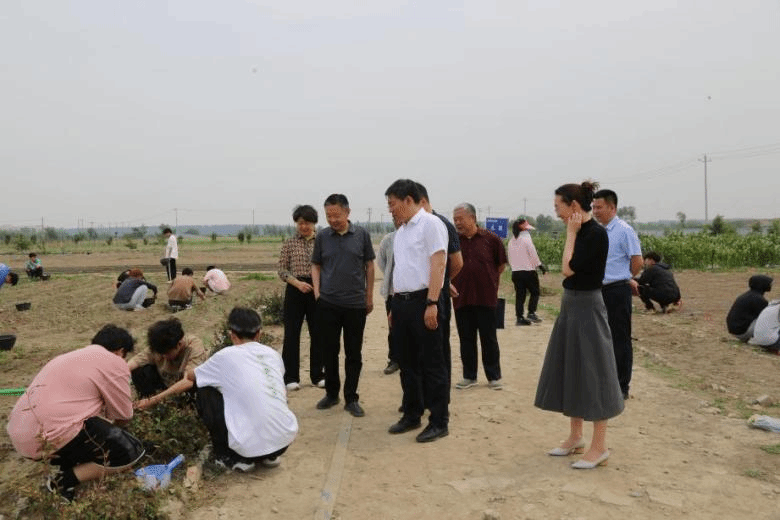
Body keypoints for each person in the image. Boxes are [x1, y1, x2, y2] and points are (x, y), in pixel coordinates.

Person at [534, 181, 624, 469]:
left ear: (573, 205)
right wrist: (572, 233)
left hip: (588, 305)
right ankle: (575, 437)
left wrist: (570, 235)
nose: (556, 212)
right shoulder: (580, 231)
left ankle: (600, 447)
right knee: (571, 367)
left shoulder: (595, 234)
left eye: (558, 206)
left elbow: (567, 268)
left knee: (594, 371)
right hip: (571, 304)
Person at [6, 324, 144, 501]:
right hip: (52, 437)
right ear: (121, 351)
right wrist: (117, 435)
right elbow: (124, 416)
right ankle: (61, 482)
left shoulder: (67, 357)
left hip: (21, 437)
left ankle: (68, 464)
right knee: (129, 452)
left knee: (81, 423)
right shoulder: (114, 361)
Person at [187, 307, 298, 471]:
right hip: (284, 441)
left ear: (232, 335)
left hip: (248, 450)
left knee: (205, 389)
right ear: (259, 334)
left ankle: (229, 456)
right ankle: (270, 455)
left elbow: (191, 376)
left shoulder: (224, 356)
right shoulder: (273, 354)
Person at [385, 179, 450, 442]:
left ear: (409, 200)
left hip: (425, 300)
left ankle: (439, 421)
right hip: (402, 303)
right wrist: (394, 305)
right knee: (407, 362)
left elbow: (438, 264)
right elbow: (401, 270)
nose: (390, 209)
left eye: (392, 204)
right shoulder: (401, 232)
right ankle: (412, 414)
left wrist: (432, 302)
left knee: (432, 363)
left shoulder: (431, 224)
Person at [312, 194, 375, 417]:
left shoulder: (362, 235)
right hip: (328, 303)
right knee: (329, 352)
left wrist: (369, 296)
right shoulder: (322, 236)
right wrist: (318, 293)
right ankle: (331, 394)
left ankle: (351, 397)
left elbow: (369, 266)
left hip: (355, 304)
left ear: (347, 212)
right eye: (328, 216)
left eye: (336, 215)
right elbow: (316, 265)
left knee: (353, 353)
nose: (332, 220)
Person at [592, 189, 643, 399]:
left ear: (612, 207)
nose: (595, 211)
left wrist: (624, 277)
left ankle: (621, 386)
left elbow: (637, 261)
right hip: (598, 290)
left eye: (599, 207)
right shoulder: (597, 231)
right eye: (593, 207)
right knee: (600, 337)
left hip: (617, 290)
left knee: (619, 338)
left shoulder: (624, 230)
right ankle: (603, 382)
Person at [451, 202, 508, 390]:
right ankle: (469, 376)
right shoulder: (454, 241)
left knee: (489, 338)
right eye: (455, 220)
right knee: (466, 338)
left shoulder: (491, 239)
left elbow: (500, 265)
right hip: (461, 297)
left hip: (486, 298)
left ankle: (493, 376)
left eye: (460, 219)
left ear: (473, 218)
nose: (457, 223)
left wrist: (487, 280)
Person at [417, 183, 463, 391]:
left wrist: (443, 282)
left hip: (436, 297)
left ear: (422, 202)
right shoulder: (412, 226)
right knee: (419, 347)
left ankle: (440, 394)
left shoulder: (442, 224)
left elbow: (457, 262)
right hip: (416, 296)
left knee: (438, 347)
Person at [278, 204, 325, 391]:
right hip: (294, 290)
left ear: (314, 223)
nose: (304, 226)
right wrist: (297, 283)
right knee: (291, 334)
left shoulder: (322, 241)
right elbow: (282, 269)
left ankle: (318, 375)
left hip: (317, 290)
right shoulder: (289, 243)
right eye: (300, 223)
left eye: (307, 223)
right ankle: (290, 377)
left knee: (318, 333)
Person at [128, 317, 209, 408]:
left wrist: (152, 401)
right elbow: (134, 362)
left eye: (166, 354)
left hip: (185, 389)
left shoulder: (194, 347)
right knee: (139, 370)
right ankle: (153, 404)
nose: (163, 357)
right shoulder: (160, 345)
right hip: (164, 385)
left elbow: (188, 381)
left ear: (179, 344)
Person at [508, 219, 547, 326]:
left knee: (520, 295)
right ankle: (531, 313)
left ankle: (519, 318)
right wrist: (540, 266)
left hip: (516, 272)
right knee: (535, 292)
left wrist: (514, 267)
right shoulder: (526, 239)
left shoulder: (511, 241)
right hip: (528, 271)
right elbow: (533, 254)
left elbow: (510, 257)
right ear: (524, 228)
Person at [377, 218, 401, 375]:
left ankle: (411, 359)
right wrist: (390, 275)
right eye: (395, 219)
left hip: (413, 292)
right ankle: (394, 360)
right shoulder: (388, 239)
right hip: (393, 292)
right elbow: (381, 262)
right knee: (393, 327)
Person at [727, 275, 773, 342]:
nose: (771, 285)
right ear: (762, 285)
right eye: (768, 283)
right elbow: (767, 318)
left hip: (736, 330)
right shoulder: (758, 299)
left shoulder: (749, 295)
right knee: (771, 320)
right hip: (742, 331)